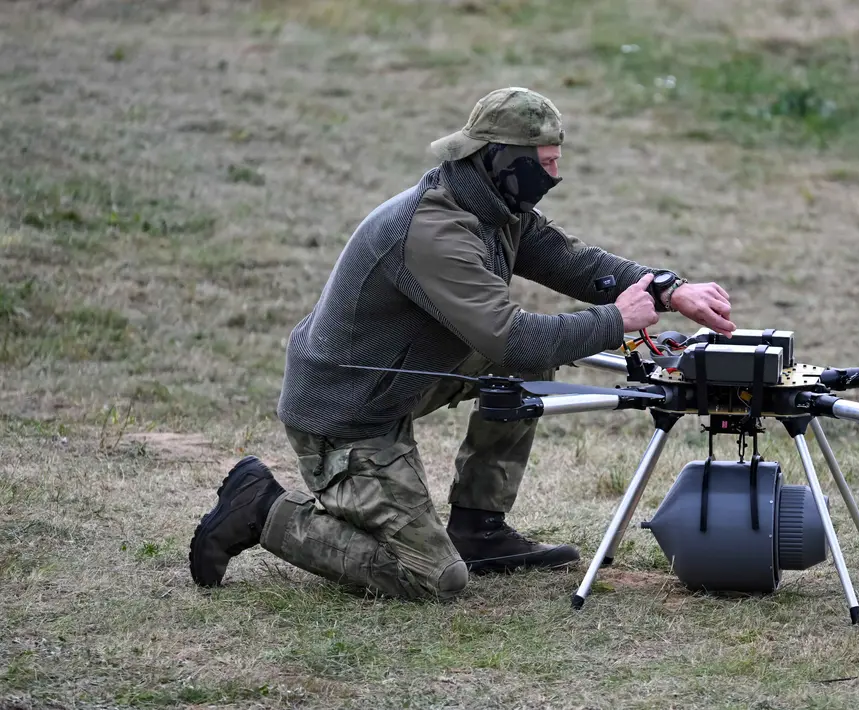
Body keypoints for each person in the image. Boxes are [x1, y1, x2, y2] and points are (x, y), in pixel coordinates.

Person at [188, 87, 736, 602]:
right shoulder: (435, 231)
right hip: (347, 411)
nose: (556, 176)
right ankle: (262, 507)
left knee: (526, 369)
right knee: (432, 577)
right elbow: (514, 340)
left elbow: (570, 261)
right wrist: (617, 319)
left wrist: (669, 289)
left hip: (398, 377)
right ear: (504, 161)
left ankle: (480, 529)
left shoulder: (492, 206)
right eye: (546, 163)